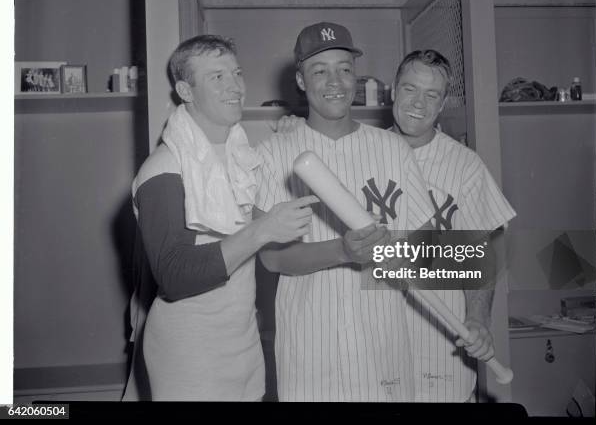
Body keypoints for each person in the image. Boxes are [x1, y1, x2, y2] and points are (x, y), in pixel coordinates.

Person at [122, 34, 319, 401]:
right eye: (217, 77)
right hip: (189, 351)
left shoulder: (241, 158)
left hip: (242, 343)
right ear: (186, 90)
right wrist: (261, 231)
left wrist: (290, 137)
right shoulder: (163, 168)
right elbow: (174, 275)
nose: (236, 86)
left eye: (237, 73)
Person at [254, 22, 435, 402]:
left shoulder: (392, 149)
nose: (335, 81)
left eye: (345, 68)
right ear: (301, 81)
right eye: (320, 71)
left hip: (383, 344)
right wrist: (341, 252)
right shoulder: (273, 153)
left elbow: (425, 242)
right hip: (310, 351)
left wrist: (400, 253)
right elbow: (271, 257)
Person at [391, 49, 516, 402]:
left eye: (432, 94)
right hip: (373, 342)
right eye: (410, 89)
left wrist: (478, 320)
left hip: (440, 342)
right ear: (393, 91)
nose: (419, 103)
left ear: (443, 102)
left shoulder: (464, 166)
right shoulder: (363, 152)